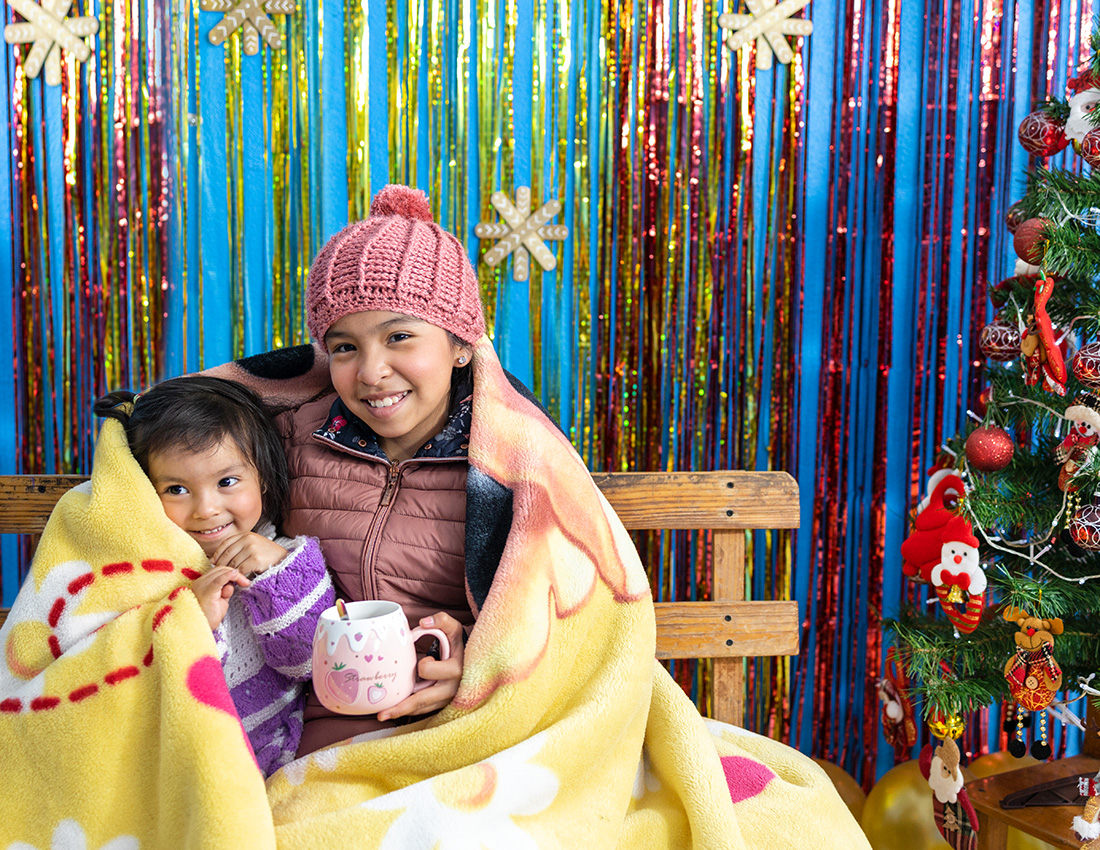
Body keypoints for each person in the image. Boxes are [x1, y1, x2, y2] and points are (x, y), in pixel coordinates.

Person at [279, 184, 490, 755]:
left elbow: (565, 616)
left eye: (399, 336)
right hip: (315, 734)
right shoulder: (290, 440)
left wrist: (477, 658)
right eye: (343, 347)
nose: (371, 372)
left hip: (465, 732)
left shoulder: (507, 463)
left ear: (461, 345)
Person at [93, 376, 334, 775]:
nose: (206, 508)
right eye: (176, 489)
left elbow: (311, 664)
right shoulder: (137, 565)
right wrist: (187, 619)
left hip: (265, 756)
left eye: (226, 482)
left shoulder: (280, 556)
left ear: (264, 477)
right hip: (164, 762)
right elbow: (112, 675)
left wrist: (277, 571)